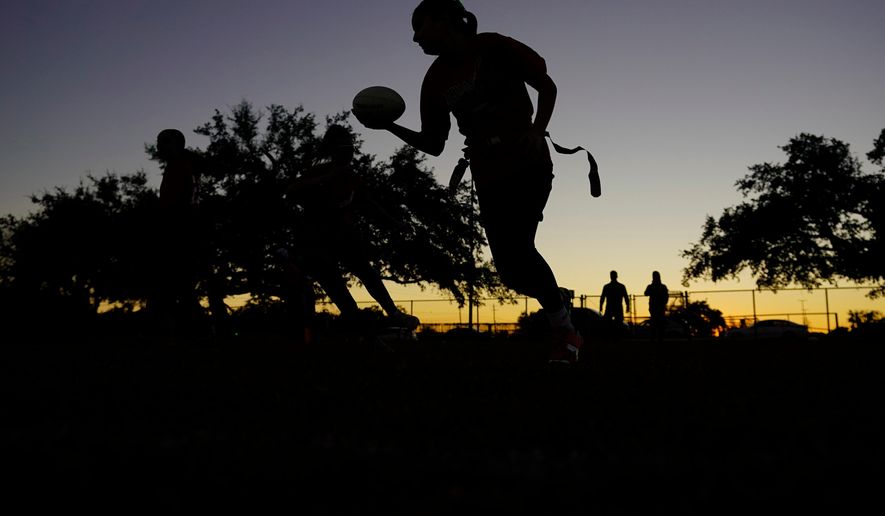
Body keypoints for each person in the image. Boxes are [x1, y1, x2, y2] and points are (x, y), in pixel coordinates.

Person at [354, 0, 581, 364]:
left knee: (520, 248)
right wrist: (389, 125)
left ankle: (565, 332)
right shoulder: (433, 79)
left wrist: (538, 132)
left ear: (445, 20)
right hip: (487, 175)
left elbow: (546, 86)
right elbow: (433, 143)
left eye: (420, 25)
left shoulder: (494, 46)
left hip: (527, 163)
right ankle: (555, 297)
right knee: (510, 273)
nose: (414, 37)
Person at [286, 124, 419, 332]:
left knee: (367, 272)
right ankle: (364, 333)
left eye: (351, 149)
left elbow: (369, 204)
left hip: (344, 237)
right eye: (344, 149)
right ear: (334, 151)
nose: (349, 154)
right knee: (338, 290)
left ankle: (393, 313)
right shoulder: (318, 172)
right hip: (316, 243)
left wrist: (395, 223)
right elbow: (291, 191)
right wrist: (321, 181)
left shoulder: (351, 177)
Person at [151, 128, 205, 336]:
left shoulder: (180, 167)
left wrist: (164, 229)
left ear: (178, 145)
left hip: (178, 234)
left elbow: (171, 204)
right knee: (180, 288)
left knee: (172, 286)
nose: (159, 146)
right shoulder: (184, 166)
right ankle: (193, 332)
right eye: (158, 141)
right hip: (183, 233)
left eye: (164, 141)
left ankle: (193, 332)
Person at [643, 271, 669, 342]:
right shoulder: (657, 286)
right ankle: (656, 337)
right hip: (655, 307)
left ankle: (656, 337)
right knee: (657, 322)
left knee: (657, 322)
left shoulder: (656, 286)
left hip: (656, 307)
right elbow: (646, 293)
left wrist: (664, 303)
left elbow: (666, 296)